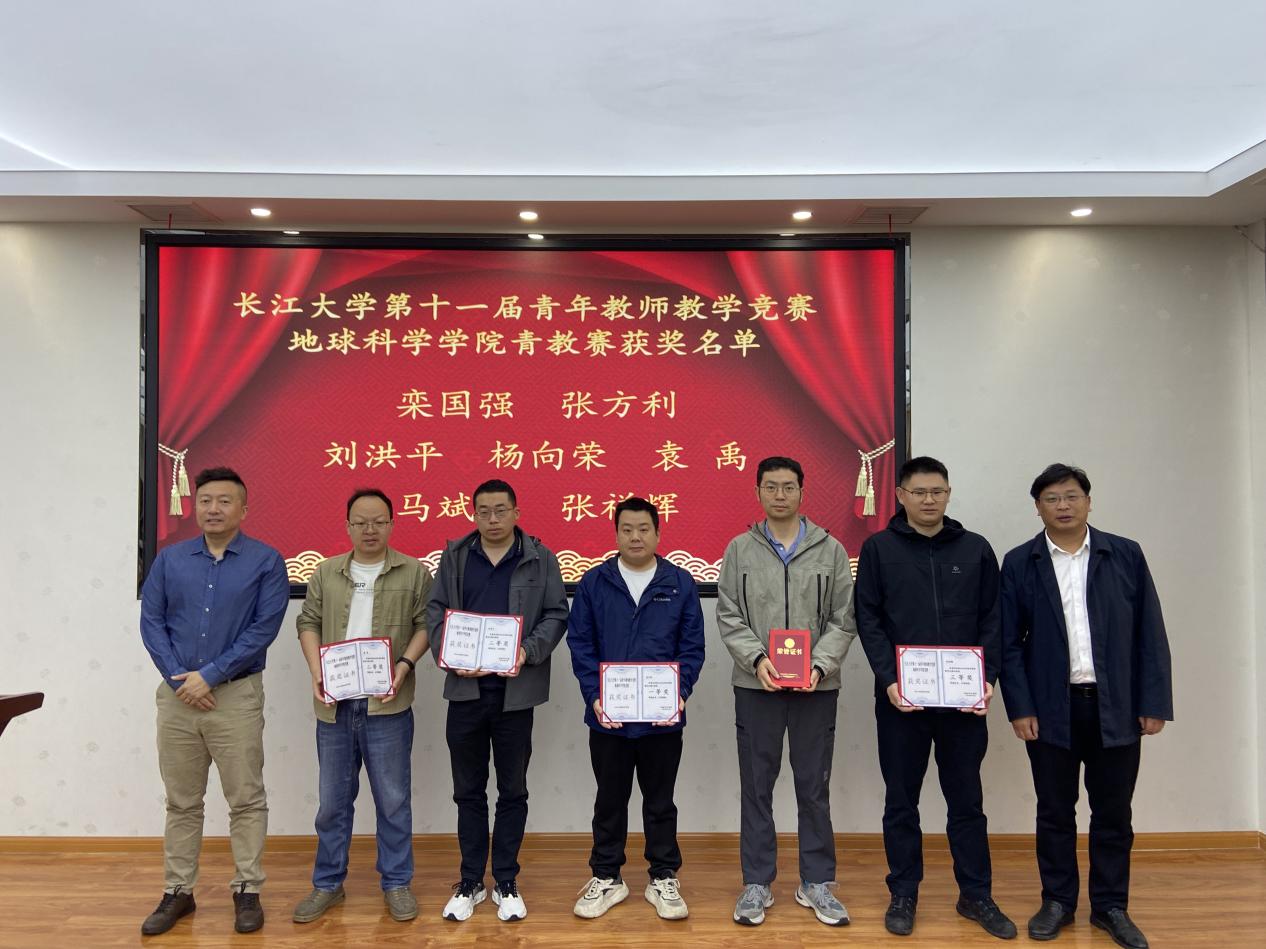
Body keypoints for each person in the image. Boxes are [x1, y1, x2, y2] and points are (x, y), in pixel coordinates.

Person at [1000, 464, 1173, 949]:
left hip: (1116, 706)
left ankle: (1111, 906)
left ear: (1089, 502)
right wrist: (1020, 706)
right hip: (1050, 708)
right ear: (1037, 507)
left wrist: (1153, 701)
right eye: (1052, 498)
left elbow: (1150, 632)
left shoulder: (1125, 554)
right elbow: (1008, 643)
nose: (1063, 506)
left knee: (1113, 812)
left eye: (1072, 496)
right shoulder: (1020, 562)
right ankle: (1057, 901)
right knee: (1055, 811)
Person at [854, 456, 1016, 939]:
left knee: (967, 801)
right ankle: (904, 892)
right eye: (919, 492)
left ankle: (976, 895)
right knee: (901, 801)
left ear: (948, 493)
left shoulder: (975, 548)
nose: (929, 500)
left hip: (963, 702)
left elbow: (994, 618)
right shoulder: (879, 549)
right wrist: (889, 679)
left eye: (938, 491)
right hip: (901, 701)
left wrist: (987, 677)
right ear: (900, 496)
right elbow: (869, 619)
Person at [138, 466, 289, 935]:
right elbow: (152, 622)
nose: (213, 509)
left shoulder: (267, 561)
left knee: (246, 798)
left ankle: (247, 889)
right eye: (205, 500)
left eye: (224, 501)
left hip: (236, 695)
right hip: (178, 696)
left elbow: (264, 628)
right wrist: (181, 681)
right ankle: (178, 891)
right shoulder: (170, 559)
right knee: (182, 801)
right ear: (195, 506)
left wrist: (211, 676)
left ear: (243, 508)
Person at [716, 455, 858, 927]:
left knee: (813, 785)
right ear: (757, 492)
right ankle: (757, 882)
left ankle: (816, 881)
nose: (780, 494)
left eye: (789, 486)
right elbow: (728, 614)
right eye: (771, 486)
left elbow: (844, 618)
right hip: (756, 685)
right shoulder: (739, 549)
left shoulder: (830, 550)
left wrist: (820, 665)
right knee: (757, 785)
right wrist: (757, 659)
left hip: (817, 687)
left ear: (802, 491)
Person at [426, 479, 568, 923]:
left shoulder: (540, 558)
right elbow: (435, 613)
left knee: (513, 790)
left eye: (500, 510)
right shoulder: (455, 556)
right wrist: (450, 656)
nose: (492, 519)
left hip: (514, 695)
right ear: (474, 514)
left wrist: (526, 652)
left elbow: (556, 613)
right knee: (467, 792)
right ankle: (470, 881)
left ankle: (506, 879)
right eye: (484, 511)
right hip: (465, 693)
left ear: (516, 512)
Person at [292, 489, 433, 924]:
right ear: (348, 526)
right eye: (360, 522)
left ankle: (397, 883)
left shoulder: (414, 572)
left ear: (392, 523)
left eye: (379, 521)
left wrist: (404, 666)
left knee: (393, 800)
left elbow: (427, 625)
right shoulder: (325, 571)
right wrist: (317, 670)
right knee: (333, 803)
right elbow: (308, 621)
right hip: (335, 705)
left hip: (387, 705)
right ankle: (327, 884)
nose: (370, 530)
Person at [567, 496, 706, 921]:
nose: (635, 537)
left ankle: (663, 876)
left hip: (662, 720)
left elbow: (692, 647)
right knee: (609, 799)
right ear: (616, 534)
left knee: (660, 801)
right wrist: (595, 696)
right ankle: (607, 876)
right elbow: (581, 645)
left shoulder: (679, 583)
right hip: (607, 718)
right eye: (626, 529)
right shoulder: (594, 583)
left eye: (644, 529)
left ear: (658, 533)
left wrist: (680, 692)